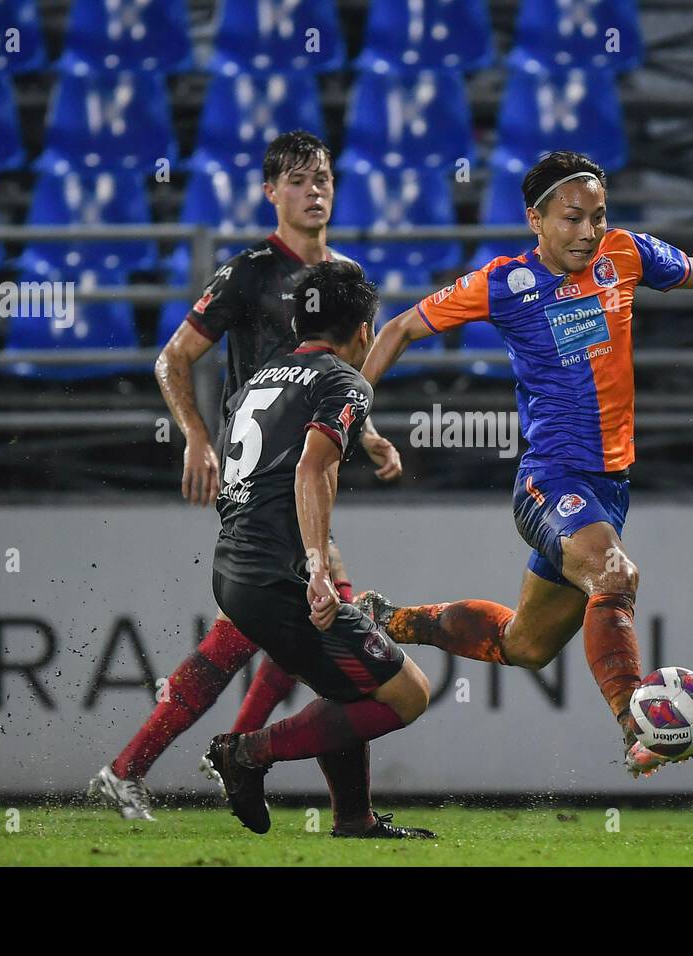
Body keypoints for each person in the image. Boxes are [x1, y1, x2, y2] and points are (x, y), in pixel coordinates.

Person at [355, 150, 693, 777]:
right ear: (536, 220)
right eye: (573, 219)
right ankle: (641, 722)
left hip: (610, 488)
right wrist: (353, 415)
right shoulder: (504, 281)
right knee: (615, 575)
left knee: (526, 645)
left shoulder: (624, 255)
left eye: (598, 217)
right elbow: (398, 330)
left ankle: (390, 620)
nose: (588, 232)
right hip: (549, 480)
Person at [89, 132, 405, 837]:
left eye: (321, 176)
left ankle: (202, 758)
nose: (313, 189)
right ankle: (227, 758)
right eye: (296, 180)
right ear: (271, 193)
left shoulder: (346, 274)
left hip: (308, 468)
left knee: (289, 631)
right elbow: (173, 360)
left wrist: (369, 432)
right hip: (261, 477)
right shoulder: (249, 273)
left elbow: (342, 386)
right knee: (324, 624)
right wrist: (198, 437)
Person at [204, 261, 433, 838]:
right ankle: (247, 753)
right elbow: (312, 467)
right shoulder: (344, 382)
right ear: (363, 331)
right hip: (279, 575)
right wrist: (315, 567)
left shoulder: (258, 379)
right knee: (407, 694)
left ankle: (353, 819)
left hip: (234, 567)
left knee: (344, 687)